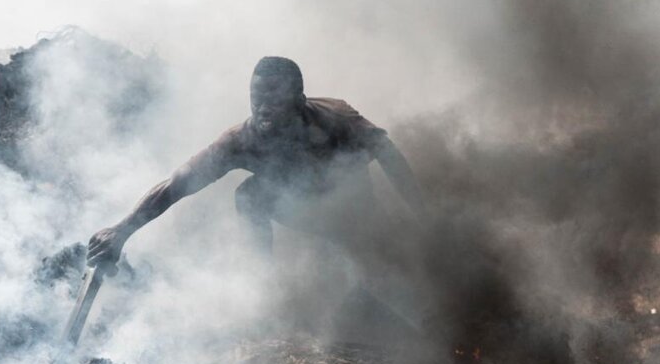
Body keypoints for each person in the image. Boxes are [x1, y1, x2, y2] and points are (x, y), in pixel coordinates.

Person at [87, 56, 423, 265]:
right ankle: (265, 281)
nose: (263, 108)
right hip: (302, 212)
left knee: (372, 265)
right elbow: (178, 184)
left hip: (353, 211)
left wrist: (423, 213)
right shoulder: (240, 141)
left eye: (274, 99)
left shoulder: (334, 116)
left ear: (299, 100)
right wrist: (122, 230)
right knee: (248, 195)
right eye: (256, 99)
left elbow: (388, 153)